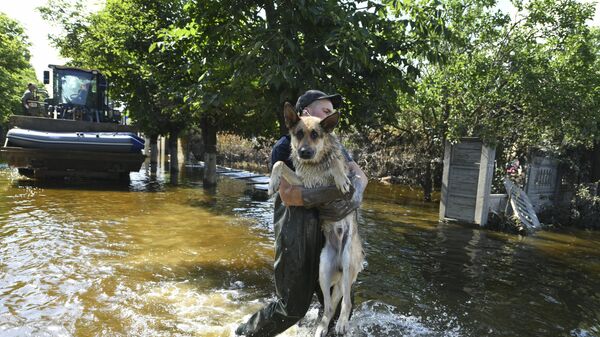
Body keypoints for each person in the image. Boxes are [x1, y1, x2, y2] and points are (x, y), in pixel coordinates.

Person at [236, 90, 368, 336]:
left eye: (331, 114)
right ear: (305, 112)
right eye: (325, 110)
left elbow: (360, 175)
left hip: (330, 230)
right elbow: (289, 196)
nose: (329, 116)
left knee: (340, 303)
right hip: (297, 231)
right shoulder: (285, 146)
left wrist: (356, 194)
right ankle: (245, 333)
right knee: (293, 307)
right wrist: (335, 193)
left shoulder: (331, 145)